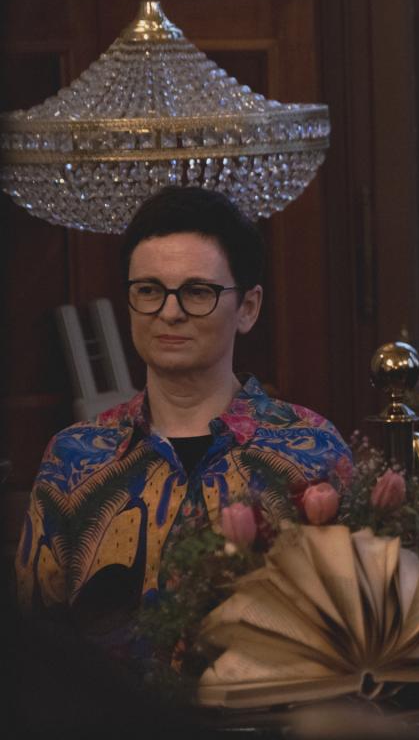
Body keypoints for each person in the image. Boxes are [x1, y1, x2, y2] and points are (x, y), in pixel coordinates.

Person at [15, 185, 352, 653]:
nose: (169, 312)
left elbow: (352, 623)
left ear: (248, 308)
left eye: (197, 292)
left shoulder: (312, 449)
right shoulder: (74, 457)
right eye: (148, 290)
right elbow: (35, 644)